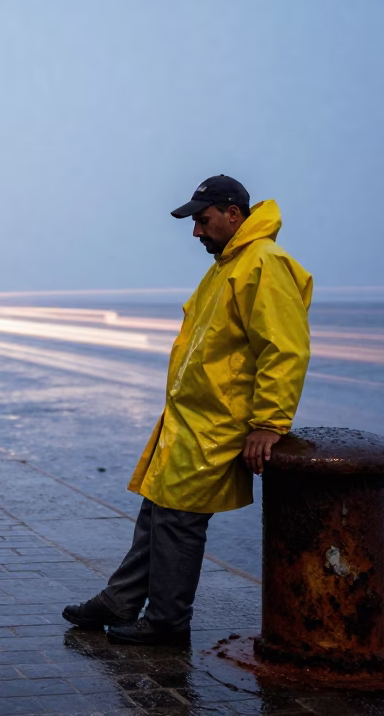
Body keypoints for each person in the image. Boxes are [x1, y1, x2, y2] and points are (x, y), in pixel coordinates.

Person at [63, 175, 312, 645]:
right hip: (191, 421)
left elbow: (284, 348)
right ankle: (120, 600)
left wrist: (269, 423)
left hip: (218, 425)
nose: (196, 232)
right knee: (157, 512)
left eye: (203, 220)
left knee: (178, 521)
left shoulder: (263, 264)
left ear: (232, 214)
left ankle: (168, 623)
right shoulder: (228, 265)